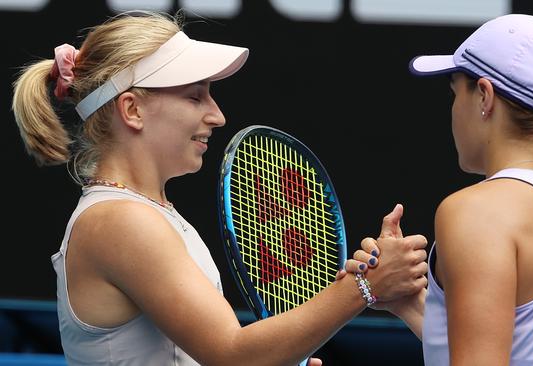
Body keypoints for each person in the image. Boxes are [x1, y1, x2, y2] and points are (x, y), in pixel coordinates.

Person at [11, 10, 429, 366]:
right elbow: (230, 354)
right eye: (196, 97)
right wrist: (364, 286)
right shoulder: (120, 220)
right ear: (132, 109)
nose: (217, 115)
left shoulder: (142, 212)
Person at [347, 13, 533, 365]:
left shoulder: (474, 212)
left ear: (484, 96)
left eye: (455, 93)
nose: (452, 110)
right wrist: (413, 307)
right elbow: (531, 347)